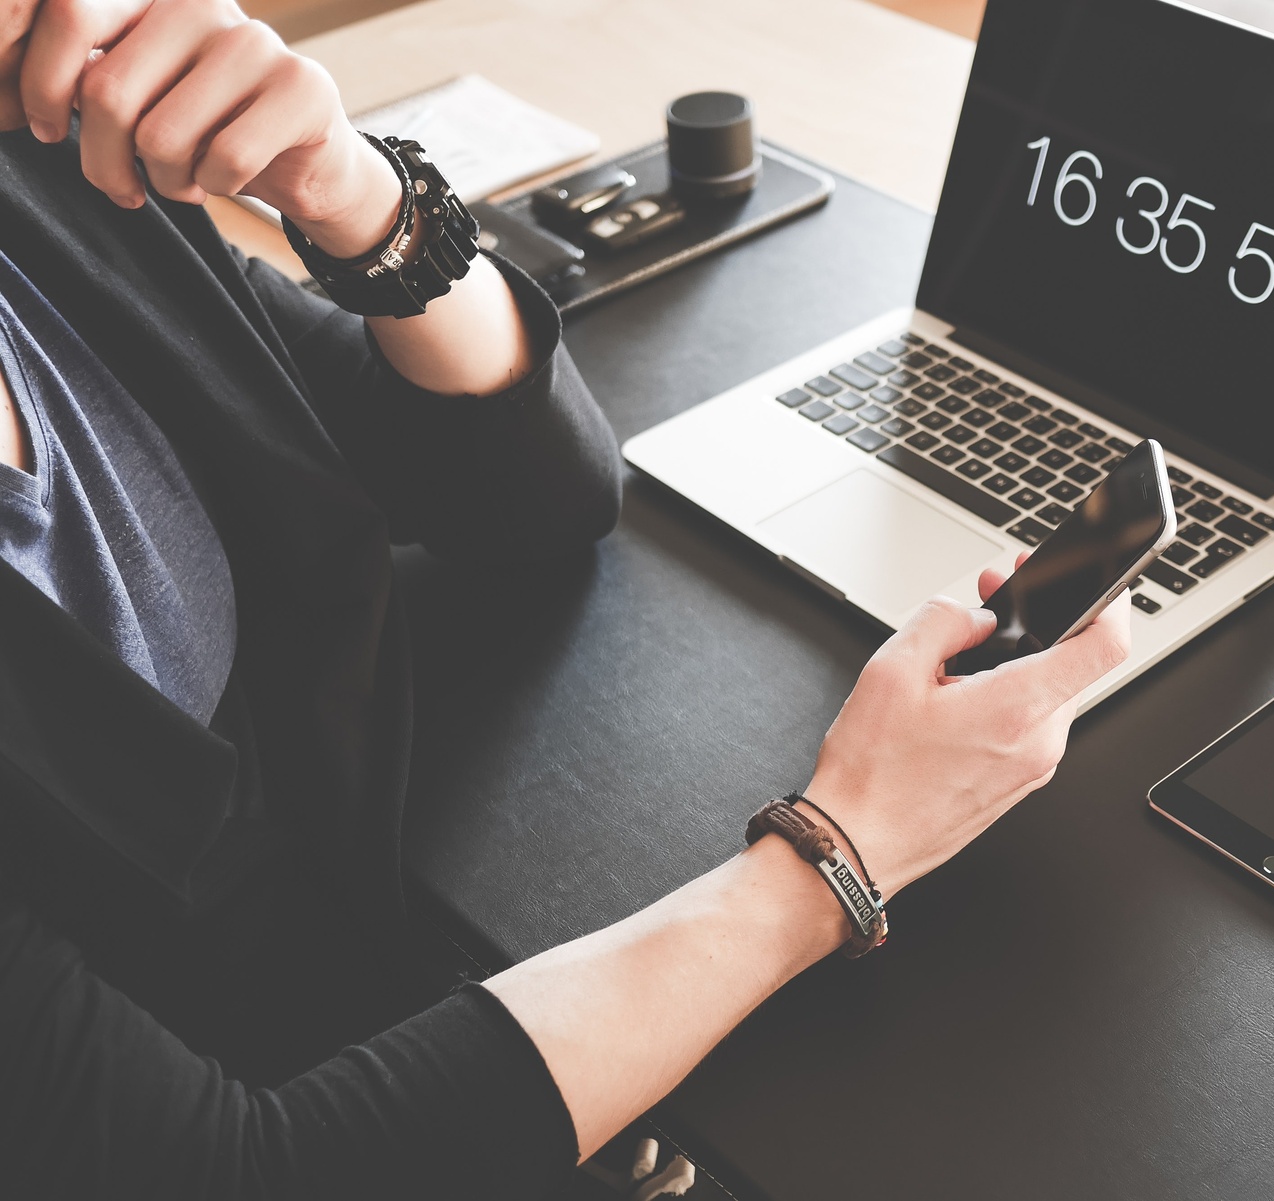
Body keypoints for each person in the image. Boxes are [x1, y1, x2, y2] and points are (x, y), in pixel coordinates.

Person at [0, 1, 1132, 1196]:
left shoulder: (50, 180)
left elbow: (532, 497)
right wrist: (841, 851)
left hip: (368, 948)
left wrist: (356, 194)